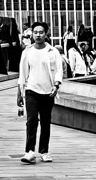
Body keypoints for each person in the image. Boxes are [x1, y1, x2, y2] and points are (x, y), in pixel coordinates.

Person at [17, 20, 64, 164]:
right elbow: (22, 74)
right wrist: (19, 93)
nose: (38, 35)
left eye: (41, 32)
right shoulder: (27, 52)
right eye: (35, 32)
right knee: (31, 120)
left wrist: (56, 85)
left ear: (46, 34)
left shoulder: (53, 51)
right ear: (32, 34)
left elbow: (59, 70)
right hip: (31, 90)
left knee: (45, 122)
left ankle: (44, 151)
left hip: (48, 92)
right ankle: (29, 151)